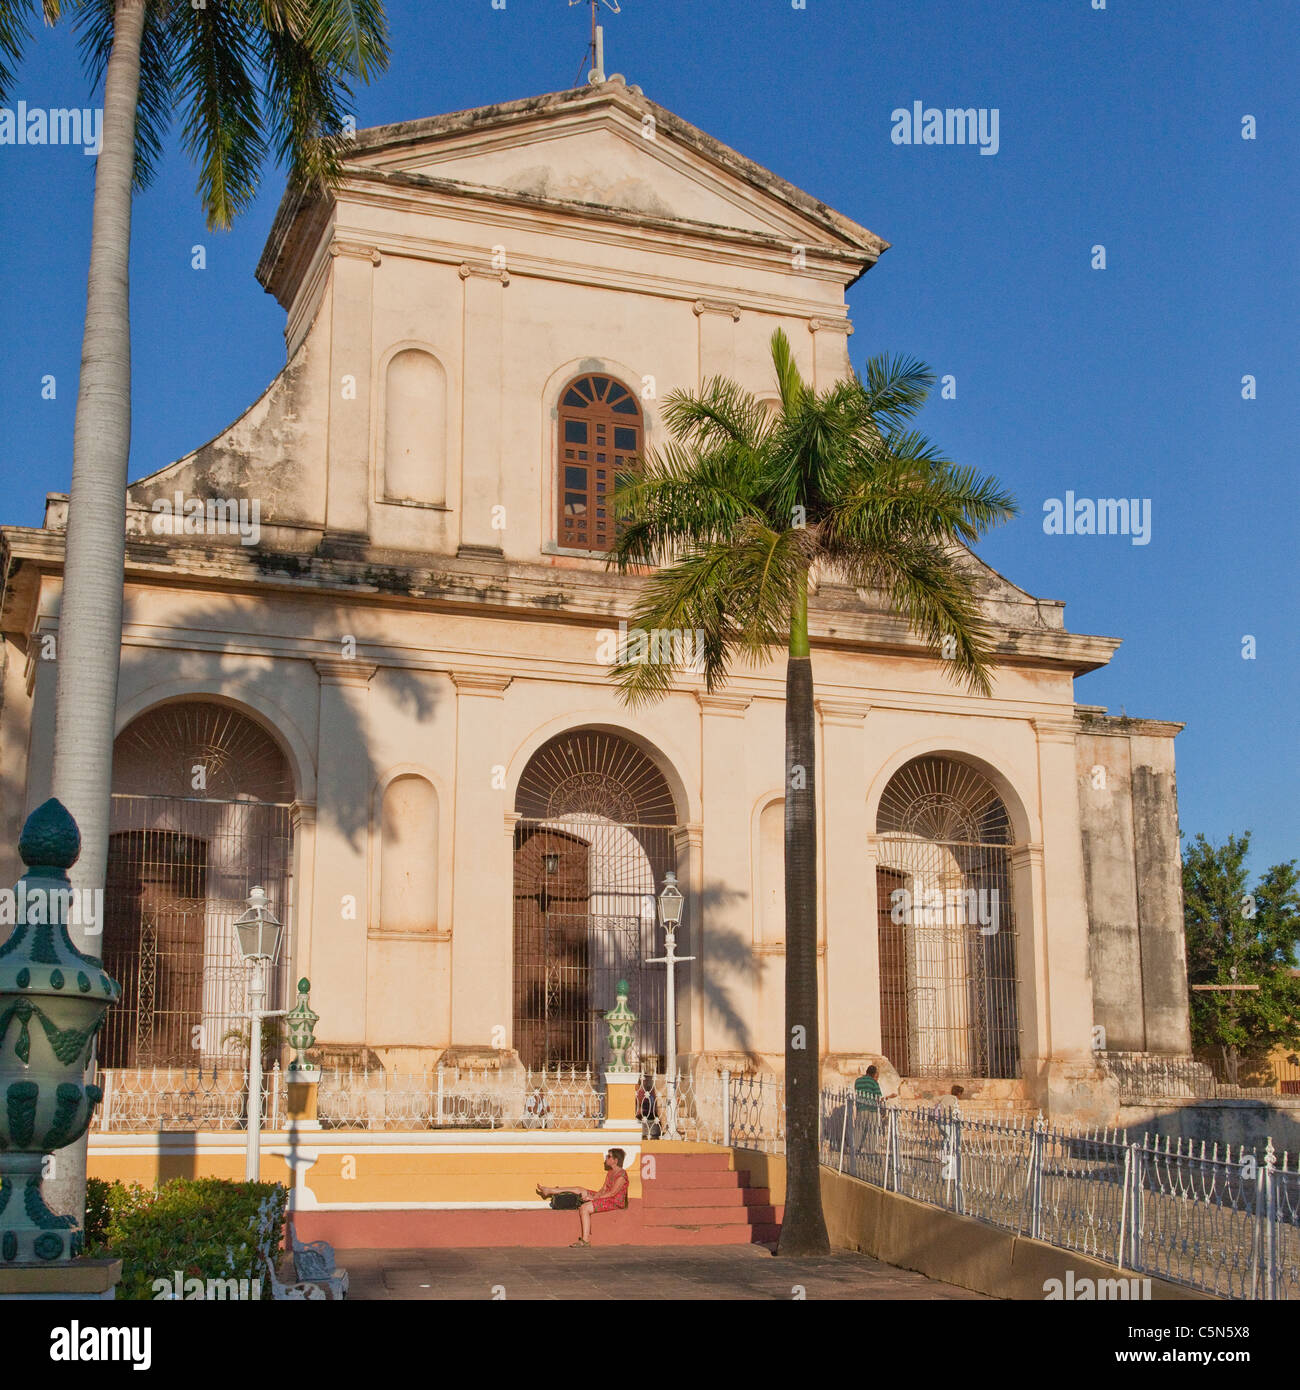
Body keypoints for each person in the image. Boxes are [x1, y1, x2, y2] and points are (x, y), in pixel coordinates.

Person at [536, 1148, 629, 1247]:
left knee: (585, 1208)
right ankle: (549, 1190)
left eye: (609, 1156)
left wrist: (593, 1199)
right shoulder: (610, 1172)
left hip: (614, 1201)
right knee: (579, 1189)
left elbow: (612, 1193)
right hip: (605, 1197)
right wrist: (593, 1196)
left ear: (615, 1160)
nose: (606, 1158)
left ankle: (585, 1240)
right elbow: (603, 1189)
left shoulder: (622, 1175)